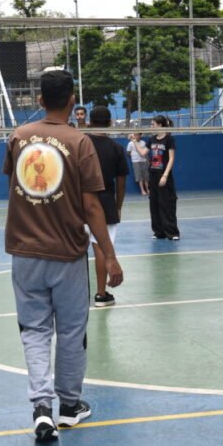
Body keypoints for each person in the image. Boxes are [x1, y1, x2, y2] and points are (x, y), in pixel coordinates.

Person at [3, 68, 123, 443]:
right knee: (71, 331)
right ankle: (69, 406)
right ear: (73, 101)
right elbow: (92, 206)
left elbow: (16, 184)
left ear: (40, 100)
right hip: (67, 253)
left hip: (24, 252)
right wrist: (109, 254)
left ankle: (42, 408)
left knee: (34, 331)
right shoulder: (80, 142)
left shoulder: (18, 137)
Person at [87, 106, 128, 307]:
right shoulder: (116, 148)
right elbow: (121, 182)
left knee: (74, 251)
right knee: (102, 249)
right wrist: (118, 206)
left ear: (89, 123)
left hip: (78, 203)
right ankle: (101, 294)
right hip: (105, 204)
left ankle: (73, 294)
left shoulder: (80, 144)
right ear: (110, 123)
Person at [132, 116, 180, 240]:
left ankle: (172, 232)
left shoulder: (169, 139)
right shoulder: (151, 139)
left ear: (160, 125)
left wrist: (165, 175)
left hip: (163, 175)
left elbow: (171, 159)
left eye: (153, 124)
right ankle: (159, 232)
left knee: (167, 204)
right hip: (152, 175)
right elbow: (143, 153)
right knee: (154, 204)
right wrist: (134, 141)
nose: (151, 126)